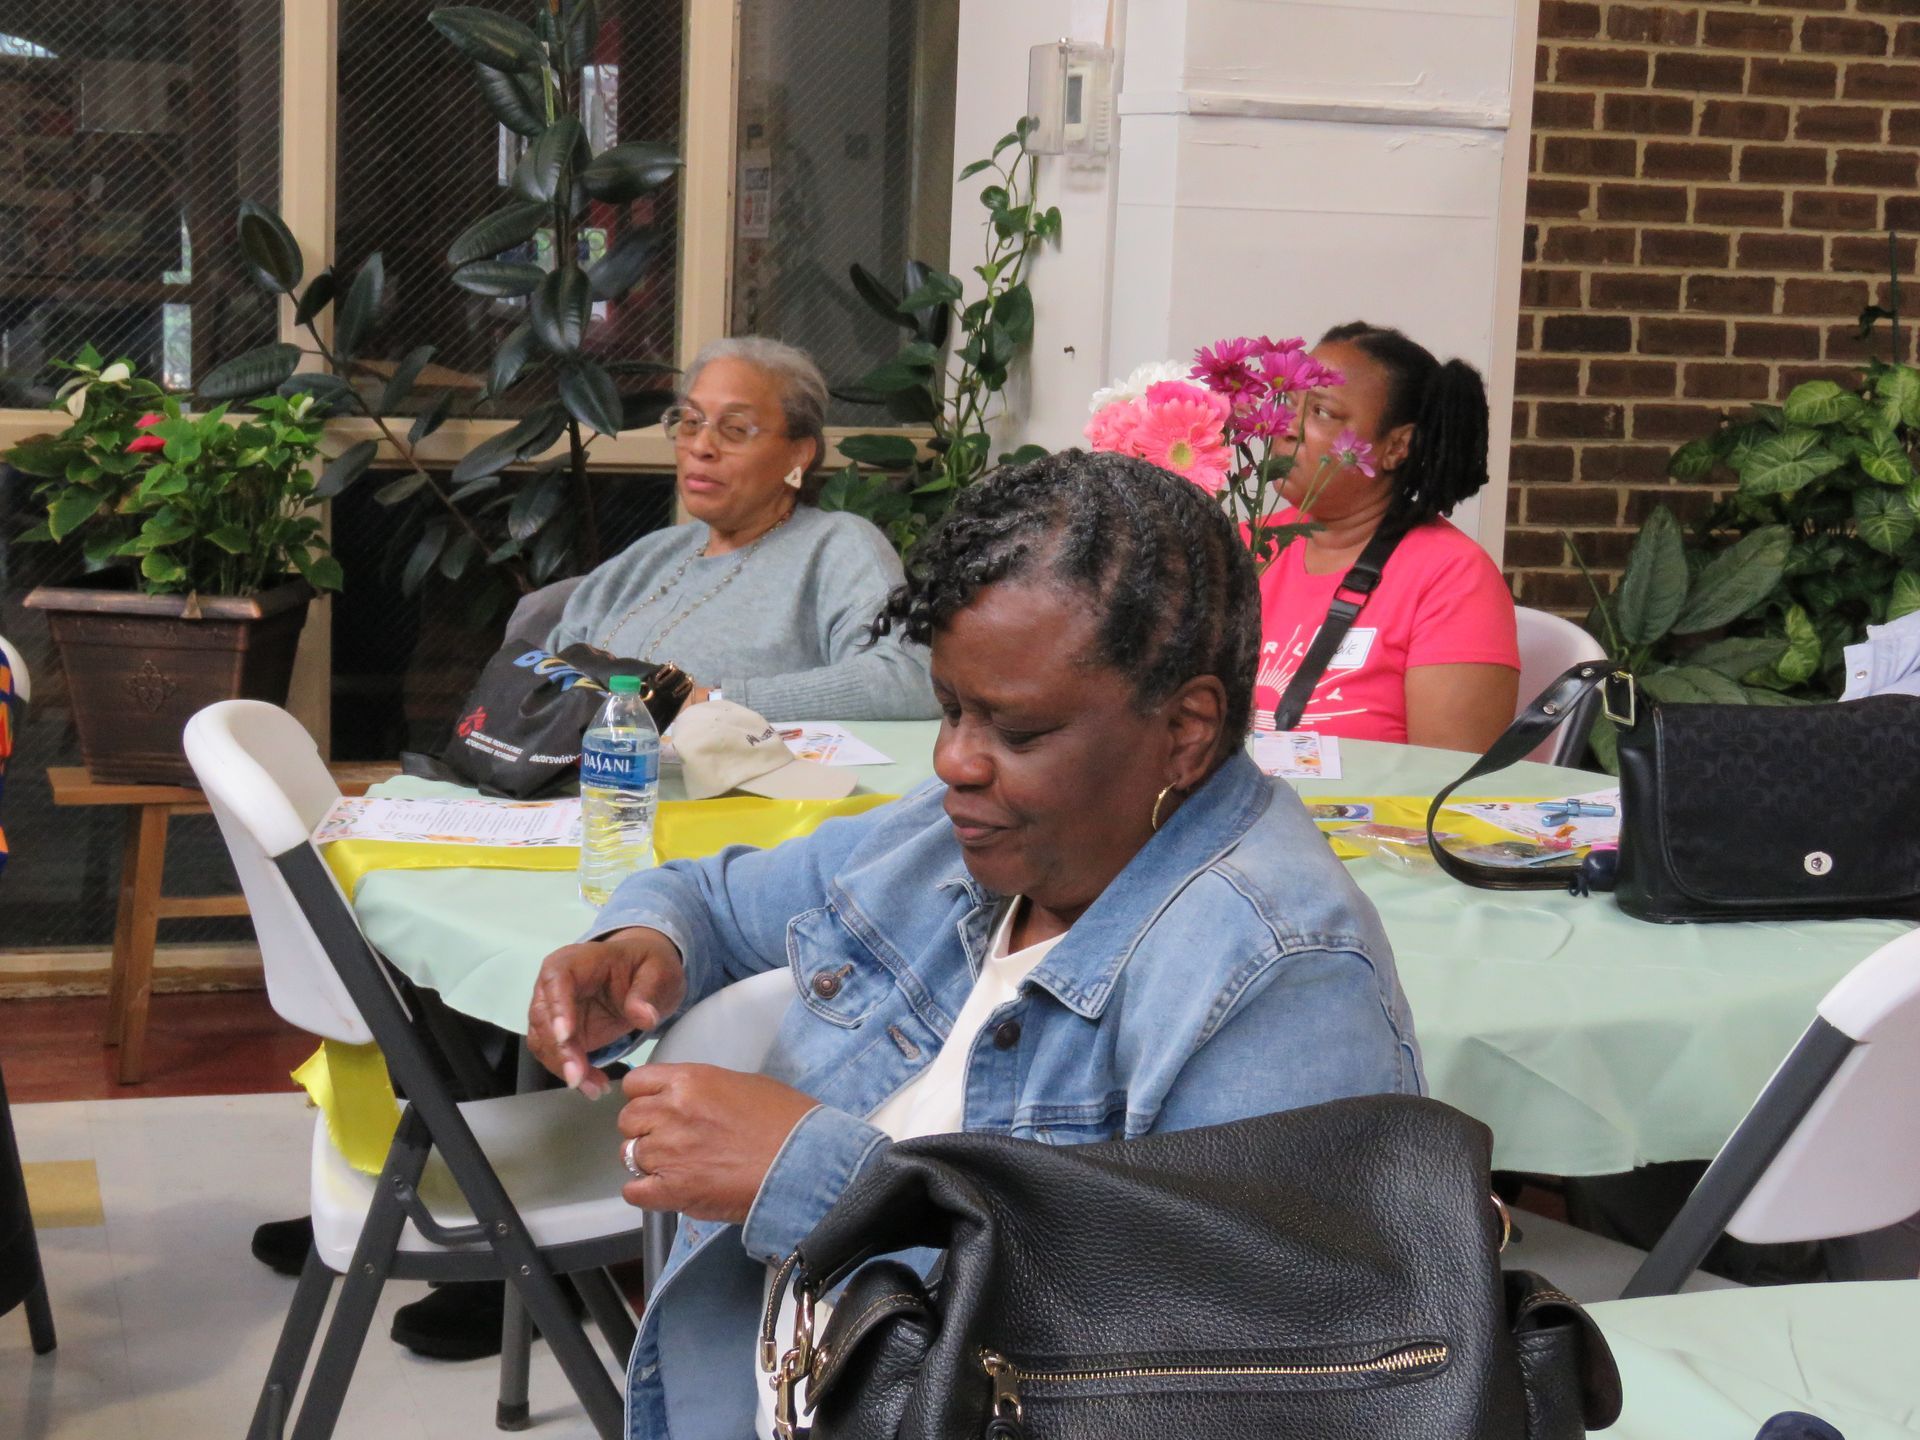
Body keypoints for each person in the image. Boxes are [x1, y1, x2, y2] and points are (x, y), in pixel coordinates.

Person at [528, 450, 1424, 1439]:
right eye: (953, 707)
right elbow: (715, 896)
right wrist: (639, 940)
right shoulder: (953, 840)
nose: (955, 758)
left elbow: (1224, 1373)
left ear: (1186, 729)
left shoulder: (1284, 976)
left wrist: (824, 1184)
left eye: (1019, 729)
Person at [548, 335, 937, 720]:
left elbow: (909, 678)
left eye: (734, 428)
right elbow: (542, 674)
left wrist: (712, 704)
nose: (701, 446)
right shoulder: (647, 557)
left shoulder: (836, 546)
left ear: (799, 452)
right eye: (689, 422)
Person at [1256, 322, 1519, 751]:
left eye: (1321, 412)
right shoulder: (1245, 544)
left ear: (1397, 446)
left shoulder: (1452, 578)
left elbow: (1446, 788)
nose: (1287, 426)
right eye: (1288, 402)